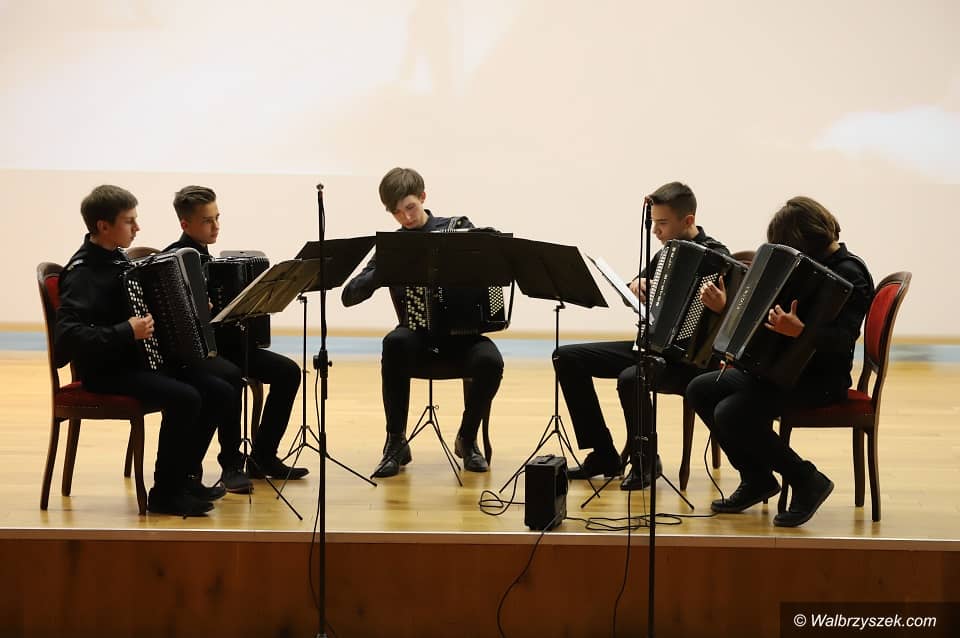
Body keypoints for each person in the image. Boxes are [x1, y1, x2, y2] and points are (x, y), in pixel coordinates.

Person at [685, 196, 874, 527]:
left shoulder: (851, 274)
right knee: (700, 389)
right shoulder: (808, 263)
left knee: (731, 412)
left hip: (820, 381)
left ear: (806, 240)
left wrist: (801, 332)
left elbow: (843, 340)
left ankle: (806, 480)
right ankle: (757, 478)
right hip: (778, 371)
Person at [55, 185, 229, 516]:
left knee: (219, 391)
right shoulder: (82, 274)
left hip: (137, 362)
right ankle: (165, 493)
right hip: (107, 372)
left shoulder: (118, 260)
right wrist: (126, 331)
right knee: (186, 397)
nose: (137, 228)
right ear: (104, 226)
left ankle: (184, 478)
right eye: (129, 221)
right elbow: (68, 337)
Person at [554, 181, 730, 490]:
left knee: (631, 377)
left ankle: (646, 460)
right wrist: (635, 285)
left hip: (691, 362)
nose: (655, 231)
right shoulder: (666, 253)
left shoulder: (718, 257)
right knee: (567, 357)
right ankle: (604, 454)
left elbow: (734, 315)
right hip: (652, 348)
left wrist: (721, 306)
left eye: (662, 223)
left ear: (688, 220)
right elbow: (637, 288)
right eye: (653, 222)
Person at [342, 167, 504, 477]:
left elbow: (493, 269)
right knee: (395, 342)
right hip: (417, 336)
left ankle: (467, 438)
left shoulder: (458, 229)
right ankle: (395, 442)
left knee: (491, 361)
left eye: (410, 207)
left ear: (423, 197)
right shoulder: (394, 245)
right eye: (397, 213)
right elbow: (349, 295)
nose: (405, 218)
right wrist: (384, 271)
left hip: (463, 336)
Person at [164, 186, 308, 490]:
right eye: (207, 221)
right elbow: (172, 315)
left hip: (228, 347)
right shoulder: (173, 260)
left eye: (217, 218)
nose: (216, 226)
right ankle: (231, 463)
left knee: (288, 372)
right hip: (197, 355)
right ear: (185, 224)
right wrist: (195, 307)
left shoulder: (212, 260)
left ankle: (263, 456)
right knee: (230, 376)